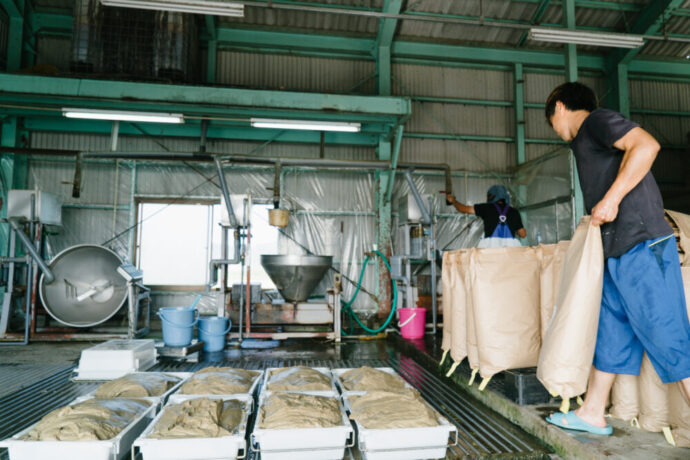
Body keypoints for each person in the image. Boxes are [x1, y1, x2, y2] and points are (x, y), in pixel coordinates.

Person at [543, 81, 690, 436]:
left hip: (641, 245)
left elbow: (646, 145)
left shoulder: (596, 121)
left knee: (667, 335)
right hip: (616, 252)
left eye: (551, 119)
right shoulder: (586, 142)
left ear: (560, 107)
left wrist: (611, 199)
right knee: (610, 335)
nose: (554, 129)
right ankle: (593, 412)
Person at [446, 185, 526, 248]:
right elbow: (523, 234)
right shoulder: (514, 212)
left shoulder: (485, 208)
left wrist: (453, 201)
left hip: (490, 250)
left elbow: (463, 209)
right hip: (510, 251)